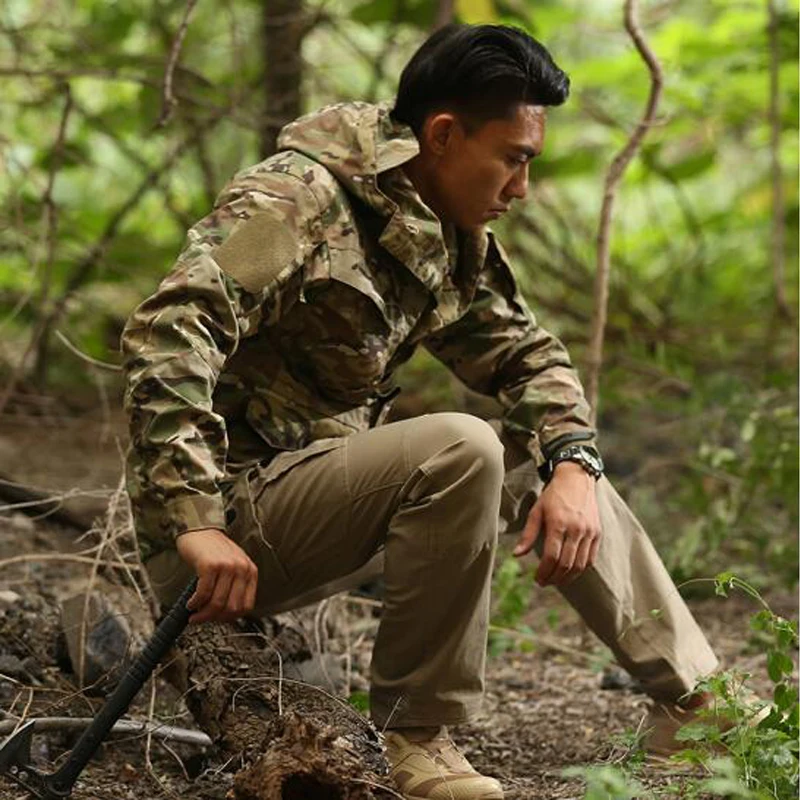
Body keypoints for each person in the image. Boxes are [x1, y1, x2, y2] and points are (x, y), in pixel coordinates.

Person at [121, 23, 719, 800]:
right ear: (442, 134)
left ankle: (699, 701)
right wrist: (196, 521)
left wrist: (573, 461)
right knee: (463, 446)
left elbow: (527, 356)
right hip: (217, 540)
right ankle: (417, 735)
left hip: (315, 509)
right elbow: (172, 331)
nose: (522, 188)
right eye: (514, 158)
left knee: (549, 465)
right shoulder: (296, 200)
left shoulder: (441, 229)